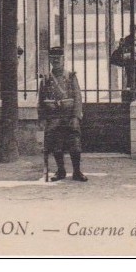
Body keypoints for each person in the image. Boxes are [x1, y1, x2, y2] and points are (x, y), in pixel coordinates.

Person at [38, 47, 86, 182]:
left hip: (69, 115)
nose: (56, 61)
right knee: (56, 146)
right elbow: (41, 100)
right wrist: (42, 119)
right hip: (54, 116)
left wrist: (76, 116)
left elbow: (77, 97)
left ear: (63, 59)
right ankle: (61, 171)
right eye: (53, 59)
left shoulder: (70, 77)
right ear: (50, 61)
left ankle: (77, 171)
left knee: (75, 145)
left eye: (58, 58)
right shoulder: (46, 79)